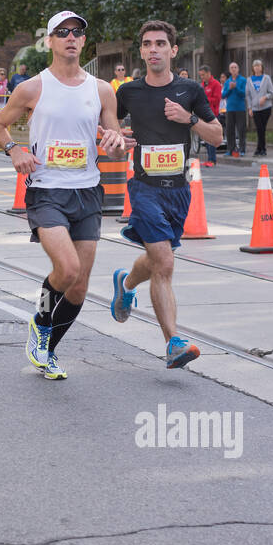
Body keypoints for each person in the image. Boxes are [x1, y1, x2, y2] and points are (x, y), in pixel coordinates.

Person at [0, 10, 125, 381]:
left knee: (79, 286)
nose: (70, 37)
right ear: (48, 41)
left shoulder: (101, 90)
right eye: (62, 32)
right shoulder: (33, 87)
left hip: (88, 190)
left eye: (77, 32)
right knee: (67, 269)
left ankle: (47, 349)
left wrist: (116, 142)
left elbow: (115, 144)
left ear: (84, 41)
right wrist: (14, 151)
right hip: (47, 191)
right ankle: (40, 321)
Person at [108, 20, 220, 370]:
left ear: (173, 51)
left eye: (160, 43)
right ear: (141, 51)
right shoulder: (128, 92)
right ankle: (173, 341)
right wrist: (117, 144)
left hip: (179, 191)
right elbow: (111, 142)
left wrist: (188, 120)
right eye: (147, 44)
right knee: (166, 264)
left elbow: (217, 136)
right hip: (144, 190)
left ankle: (125, 283)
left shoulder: (190, 91)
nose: (153, 49)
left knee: (158, 261)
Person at [246, 59, 273, 156]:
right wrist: (249, 108)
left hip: (266, 108)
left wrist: (265, 97)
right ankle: (261, 149)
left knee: (262, 128)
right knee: (259, 128)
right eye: (255, 66)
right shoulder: (249, 80)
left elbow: (271, 93)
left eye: (259, 66)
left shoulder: (266, 78)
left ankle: (260, 149)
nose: (257, 67)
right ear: (253, 68)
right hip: (255, 108)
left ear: (262, 67)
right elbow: (248, 95)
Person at [197, 65, 221, 166]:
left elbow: (217, 99)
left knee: (212, 138)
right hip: (203, 114)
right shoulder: (202, 85)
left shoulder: (216, 84)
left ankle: (213, 160)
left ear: (208, 73)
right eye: (200, 75)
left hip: (212, 115)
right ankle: (209, 159)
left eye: (203, 75)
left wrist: (205, 99)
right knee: (206, 138)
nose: (201, 77)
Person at [222, 61, 248, 156]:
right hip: (230, 109)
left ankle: (242, 149)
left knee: (241, 130)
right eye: (232, 67)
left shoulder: (243, 80)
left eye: (235, 67)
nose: (233, 69)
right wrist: (230, 88)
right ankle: (230, 149)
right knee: (229, 130)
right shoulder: (227, 81)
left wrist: (236, 87)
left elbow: (244, 94)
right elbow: (223, 95)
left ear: (238, 69)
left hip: (240, 108)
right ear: (229, 70)